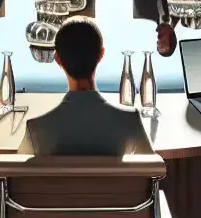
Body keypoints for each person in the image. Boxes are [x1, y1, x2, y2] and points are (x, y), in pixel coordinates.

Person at [20, 19, 154, 155]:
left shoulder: (36, 129)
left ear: (58, 59)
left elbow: (18, 170)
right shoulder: (129, 121)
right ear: (101, 55)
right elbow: (153, 167)